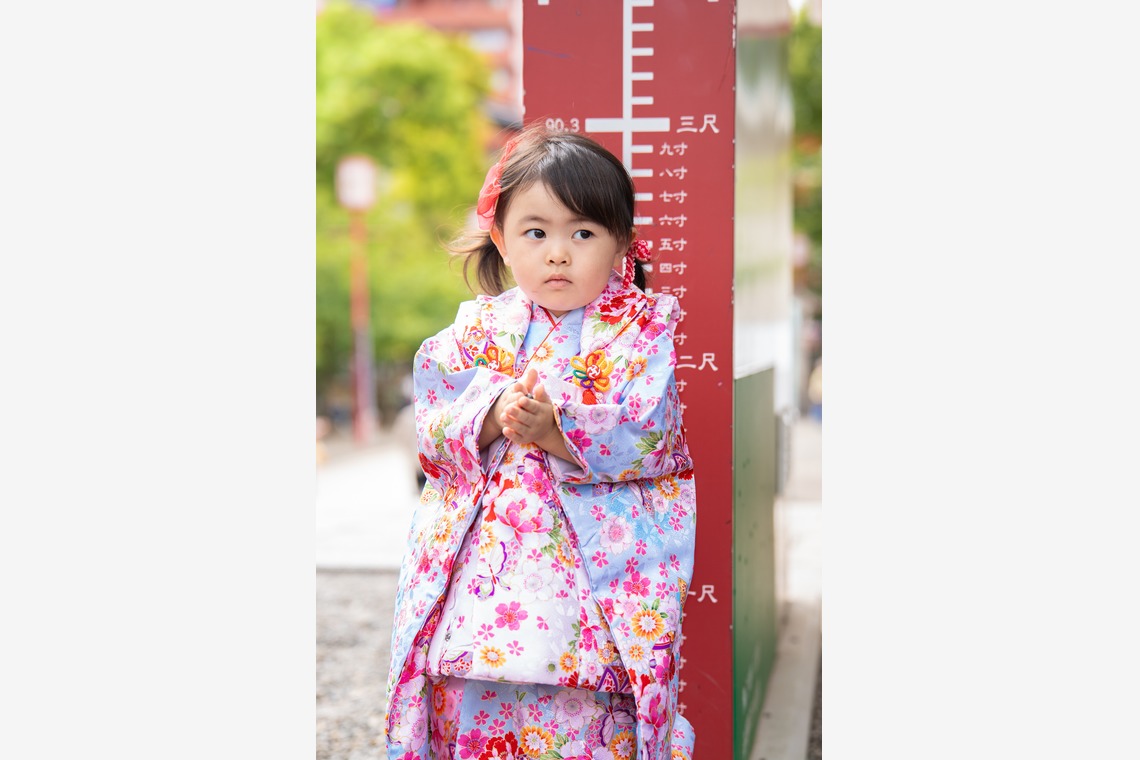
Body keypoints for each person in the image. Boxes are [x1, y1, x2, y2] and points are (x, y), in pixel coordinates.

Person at [384, 125, 697, 760]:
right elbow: (435, 418)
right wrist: (492, 414)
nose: (559, 252)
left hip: (590, 593)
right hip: (485, 585)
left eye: (583, 233)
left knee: (591, 718)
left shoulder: (639, 331)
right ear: (501, 237)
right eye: (536, 231)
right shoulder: (476, 329)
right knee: (477, 713)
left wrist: (557, 429)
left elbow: (654, 429)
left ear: (620, 245)